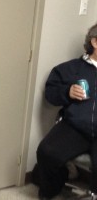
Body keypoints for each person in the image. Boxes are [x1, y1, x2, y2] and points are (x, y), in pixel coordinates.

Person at [36, 23, 97, 200]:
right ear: (94, 42)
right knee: (46, 151)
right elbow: (51, 93)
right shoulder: (71, 68)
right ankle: (51, 192)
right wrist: (67, 92)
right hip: (75, 126)